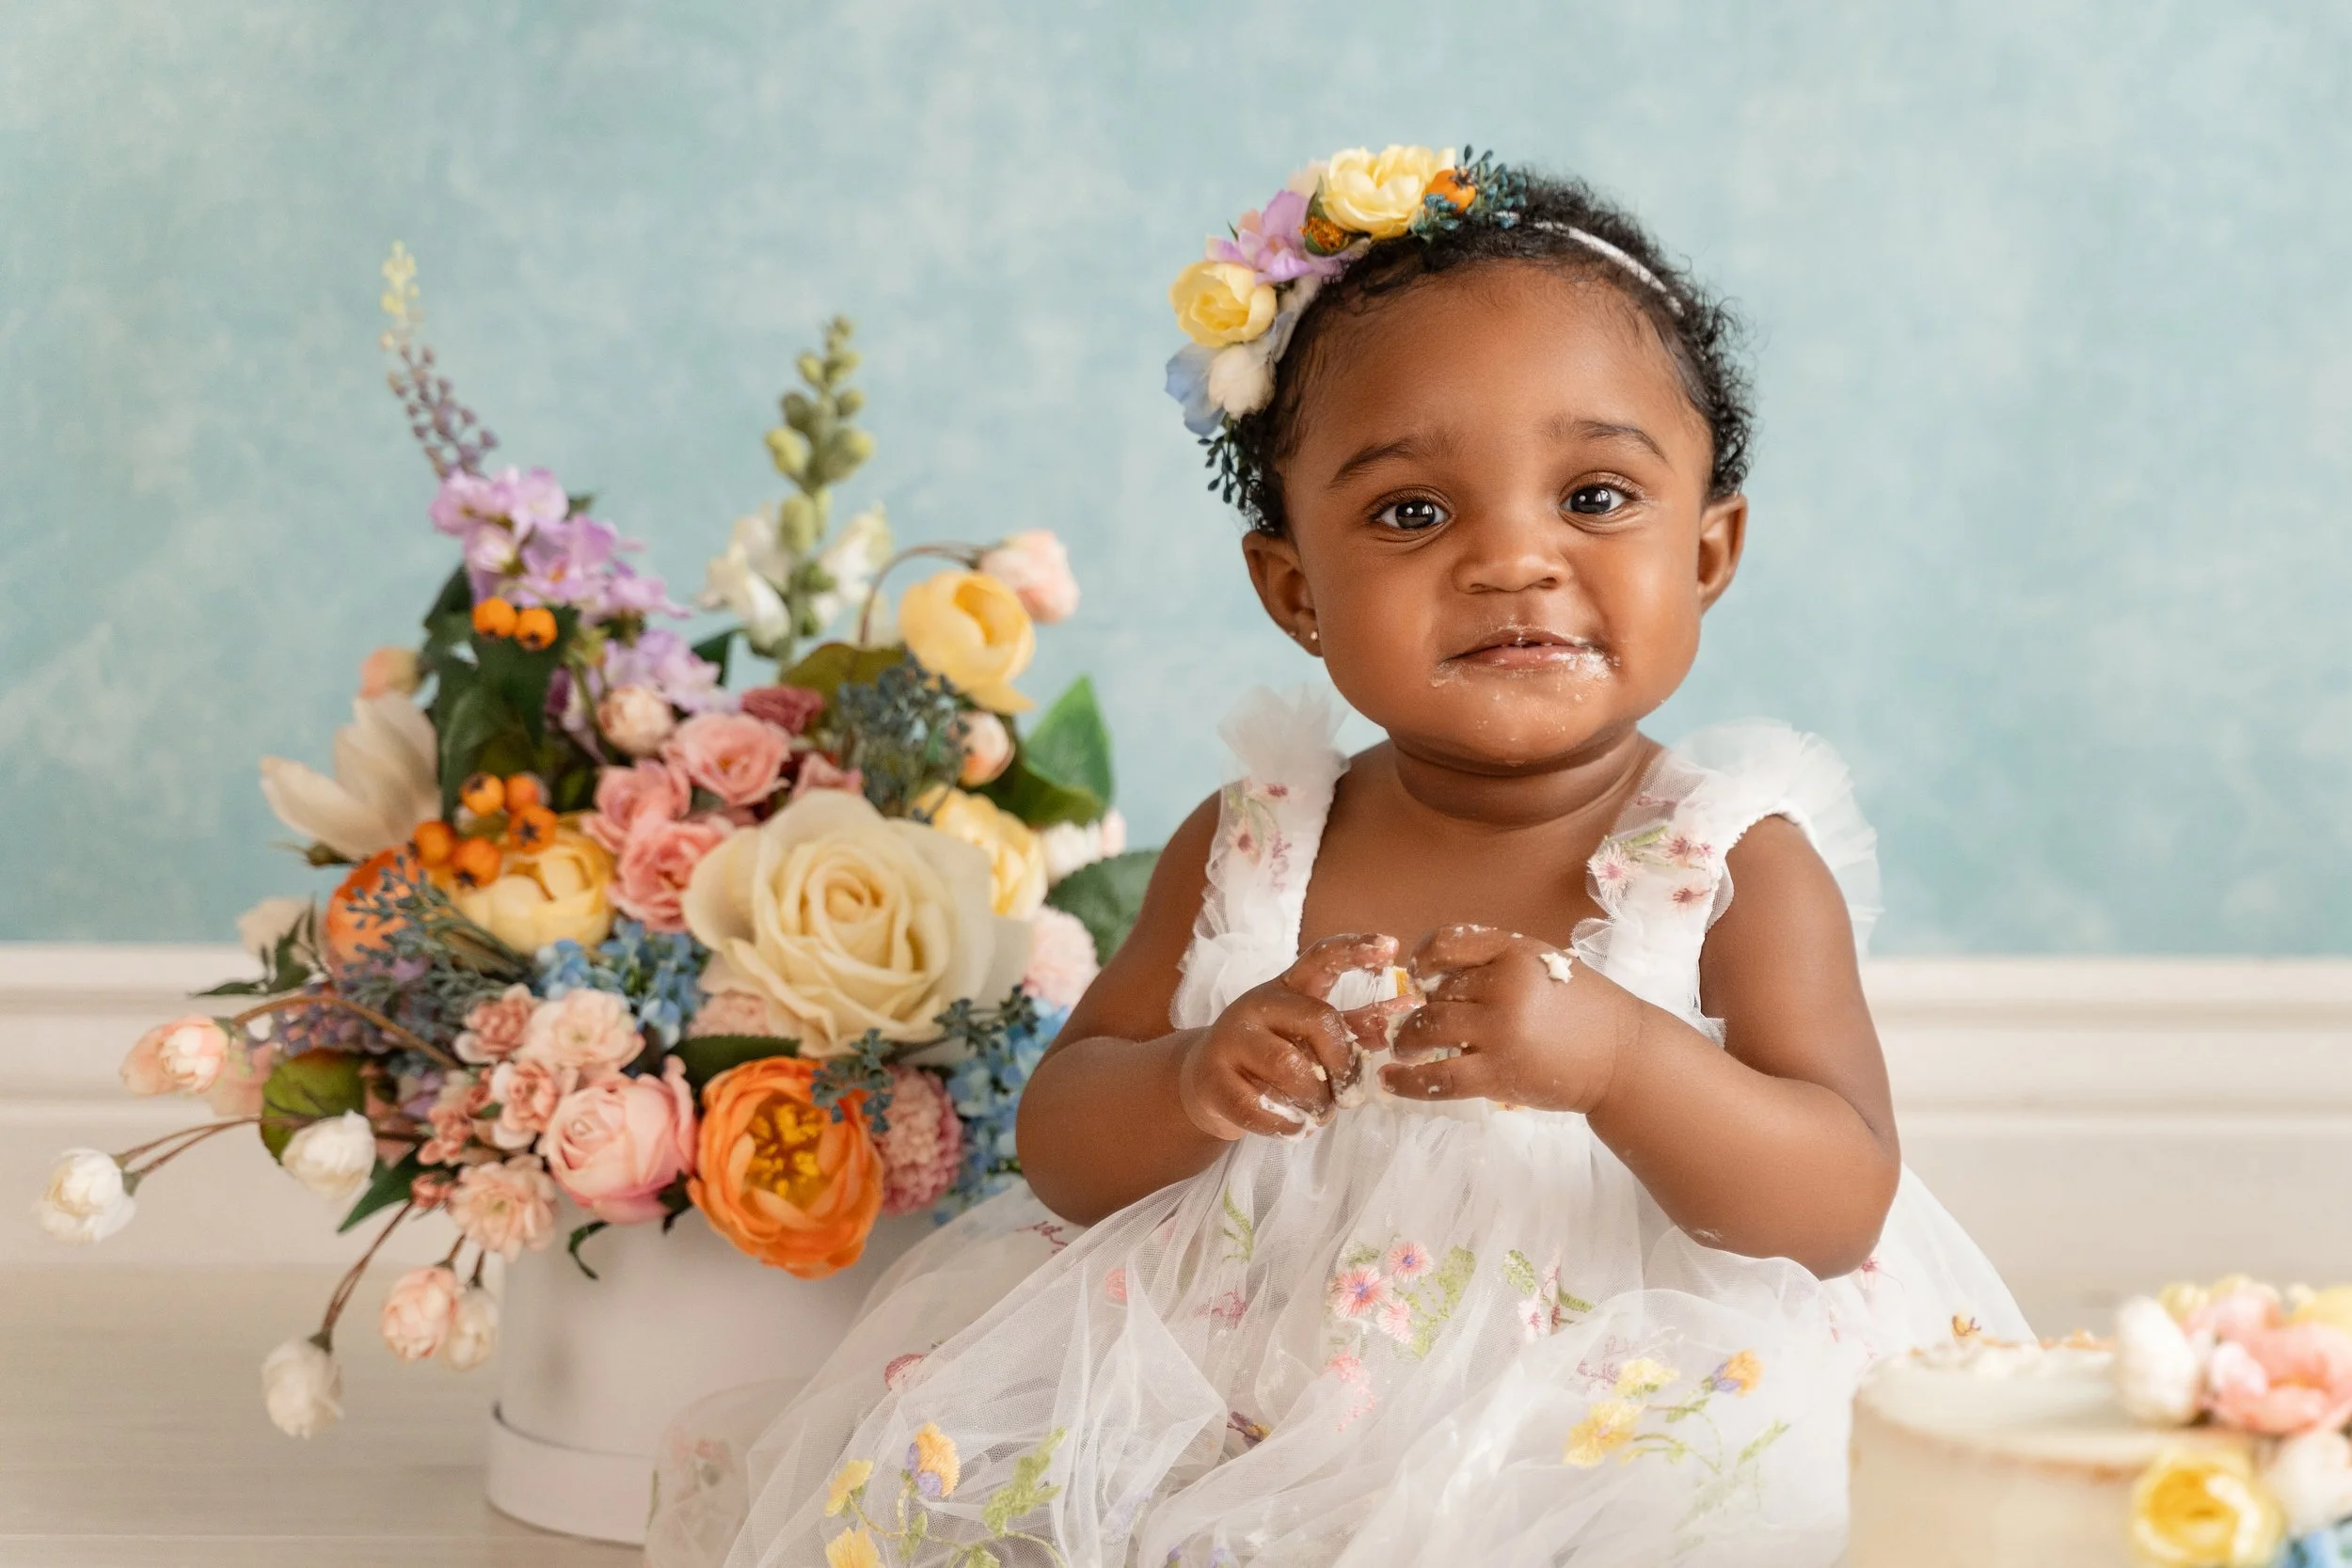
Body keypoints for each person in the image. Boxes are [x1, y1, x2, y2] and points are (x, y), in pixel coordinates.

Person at [648, 146, 2026, 1568]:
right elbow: (1061, 1140)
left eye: (1598, 496)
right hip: (1249, 1389)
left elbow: (1835, 1200)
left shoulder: (1724, 860)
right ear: (1295, 586)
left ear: (1710, 550)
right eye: (1412, 512)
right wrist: (1194, 1078)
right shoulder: (1260, 838)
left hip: (1606, 1416)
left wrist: (1623, 1060)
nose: (1513, 559)